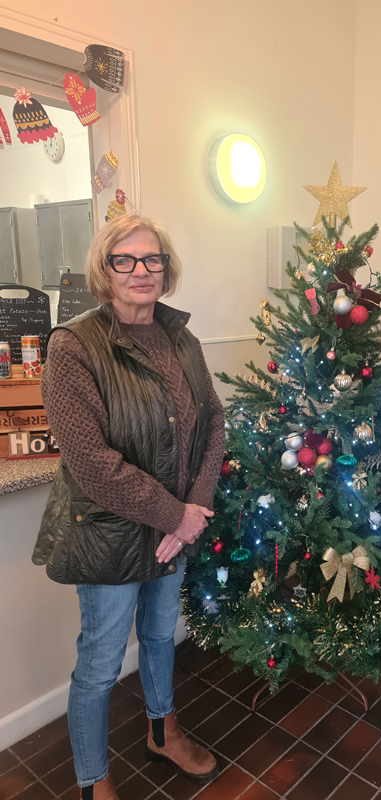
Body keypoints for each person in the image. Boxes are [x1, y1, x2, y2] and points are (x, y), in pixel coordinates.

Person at [32, 214, 225, 799]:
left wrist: (194, 507)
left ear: (166, 271)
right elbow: (90, 463)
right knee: (99, 663)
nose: (141, 270)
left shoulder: (181, 338)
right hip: (112, 534)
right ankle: (93, 781)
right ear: (105, 269)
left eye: (152, 259)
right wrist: (178, 517)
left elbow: (212, 424)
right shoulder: (73, 346)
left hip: (173, 531)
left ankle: (163, 733)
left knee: (163, 636)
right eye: (126, 259)